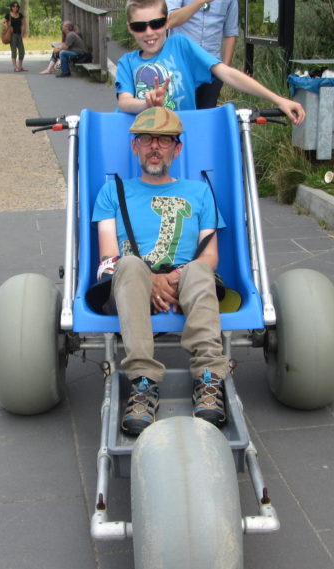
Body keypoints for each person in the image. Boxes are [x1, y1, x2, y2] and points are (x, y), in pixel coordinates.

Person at [92, 107, 229, 436]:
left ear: (177, 149)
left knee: (199, 270)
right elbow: (108, 256)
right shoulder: (113, 191)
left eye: (164, 141)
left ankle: (209, 379)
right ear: (134, 147)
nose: (155, 147)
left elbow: (210, 254)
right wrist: (151, 280)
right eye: (146, 139)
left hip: (187, 281)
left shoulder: (199, 192)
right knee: (127, 264)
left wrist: (173, 278)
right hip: (129, 281)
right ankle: (142, 382)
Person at [115, 0, 304, 125]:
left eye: (156, 24)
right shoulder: (127, 63)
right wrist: (147, 104)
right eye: (139, 27)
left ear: (166, 22)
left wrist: (278, 100)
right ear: (130, 28)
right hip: (142, 146)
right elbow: (124, 102)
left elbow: (227, 73)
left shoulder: (180, 45)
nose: (149, 32)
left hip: (180, 141)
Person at [166, 0, 239, 108]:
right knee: (180, 115)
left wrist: (224, 72)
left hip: (212, 68)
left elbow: (230, 33)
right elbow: (170, 20)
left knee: (207, 114)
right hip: (181, 67)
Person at [2, 1, 28, 72]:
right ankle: (15, 67)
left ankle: (20, 66)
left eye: (16, 6)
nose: (15, 7)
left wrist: (22, 33)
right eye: (14, 6)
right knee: (14, 51)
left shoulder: (20, 15)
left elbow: (23, 24)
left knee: (22, 51)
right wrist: (7, 26)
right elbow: (2, 21)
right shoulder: (8, 15)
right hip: (12, 35)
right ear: (11, 7)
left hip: (19, 34)